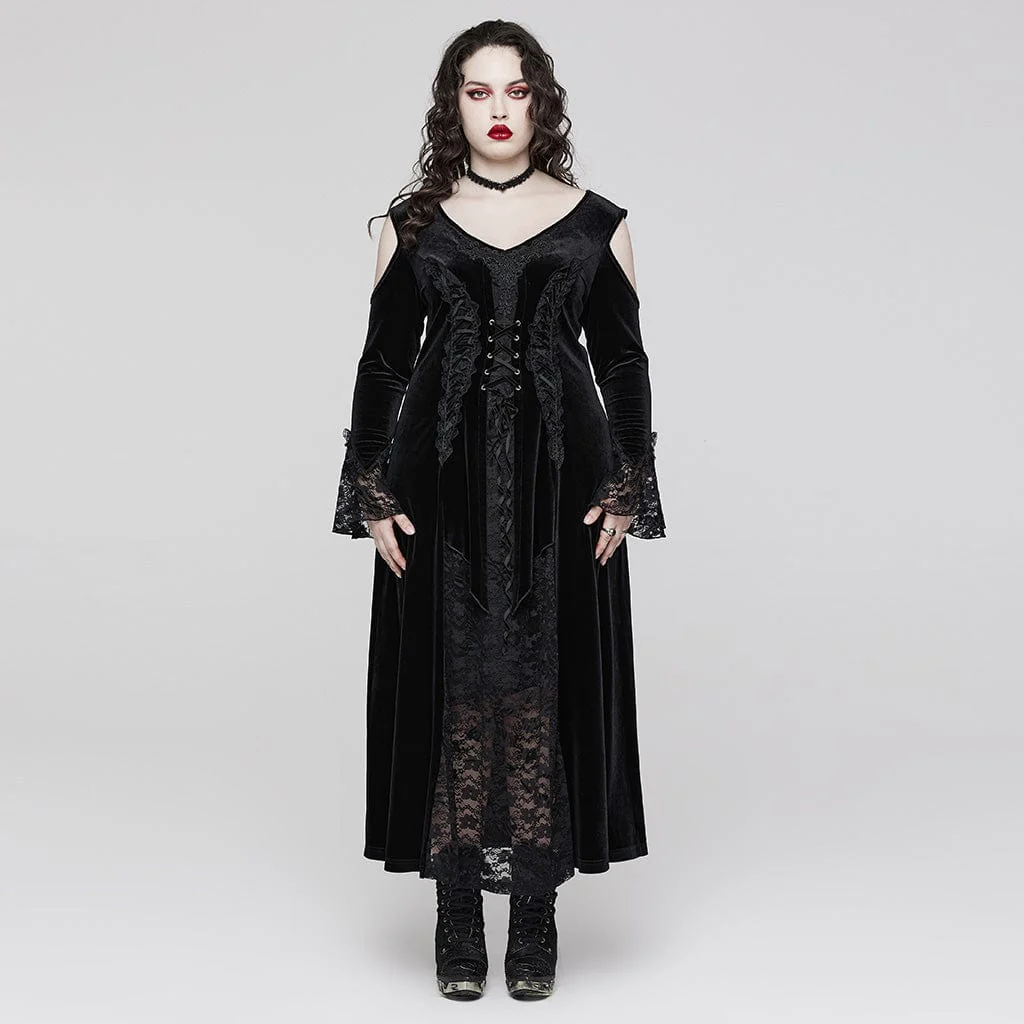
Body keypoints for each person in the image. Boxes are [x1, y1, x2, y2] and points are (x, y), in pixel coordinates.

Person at [332, 19, 667, 1001]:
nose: (498, 110)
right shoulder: (410, 224)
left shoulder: (597, 223)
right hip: (438, 483)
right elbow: (383, 363)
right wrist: (370, 489)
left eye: (516, 90)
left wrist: (628, 482)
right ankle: (453, 910)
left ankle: (531, 909)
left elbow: (623, 361)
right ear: (453, 105)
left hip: (564, 484)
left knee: (541, 675)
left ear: (540, 101)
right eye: (478, 92)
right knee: (454, 674)